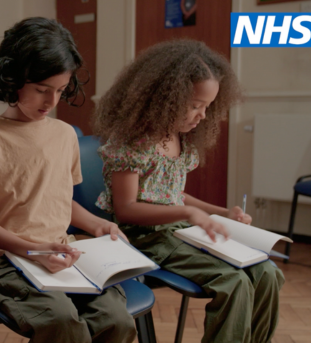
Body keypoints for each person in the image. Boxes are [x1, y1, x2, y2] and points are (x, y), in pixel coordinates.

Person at [93, 39, 284, 343]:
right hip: (145, 238)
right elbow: (127, 208)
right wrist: (189, 213)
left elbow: (172, 196)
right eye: (195, 105)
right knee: (234, 282)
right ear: (164, 98)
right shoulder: (132, 143)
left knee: (268, 273)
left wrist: (223, 213)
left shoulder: (179, 139)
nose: (203, 115)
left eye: (208, 107)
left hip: (178, 231)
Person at [0, 17, 136, 343]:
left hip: (61, 255)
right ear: (13, 78)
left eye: (59, 90)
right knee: (62, 322)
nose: (52, 101)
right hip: (5, 262)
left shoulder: (65, 134)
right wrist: (33, 250)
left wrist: (98, 226)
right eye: (42, 90)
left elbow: (59, 201)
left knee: (117, 319)